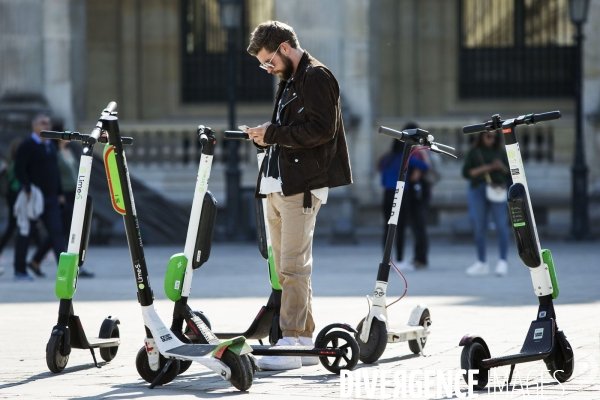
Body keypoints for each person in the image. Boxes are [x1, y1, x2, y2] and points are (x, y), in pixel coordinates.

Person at [245, 20, 352, 370]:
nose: (267, 68)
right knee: (287, 267)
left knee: (292, 266)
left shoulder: (317, 76)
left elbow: (322, 130)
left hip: (302, 186)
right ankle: (303, 340)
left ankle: (291, 342)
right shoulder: (291, 78)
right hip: (280, 183)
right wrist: (267, 134)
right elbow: (292, 129)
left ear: (285, 48)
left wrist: (272, 132)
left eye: (268, 61)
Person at [29, 139, 94, 278]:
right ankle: (70, 267)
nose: (68, 138)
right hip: (63, 195)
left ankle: (36, 260)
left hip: (75, 193)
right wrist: (59, 193)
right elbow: (55, 175)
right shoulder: (55, 153)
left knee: (61, 230)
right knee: (64, 231)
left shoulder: (69, 151)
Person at [13, 114, 66, 280]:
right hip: (33, 197)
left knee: (57, 232)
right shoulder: (27, 145)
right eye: (43, 123)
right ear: (34, 126)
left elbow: (55, 172)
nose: (47, 125)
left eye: (49, 123)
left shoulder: (50, 146)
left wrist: (59, 192)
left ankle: (64, 272)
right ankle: (19, 270)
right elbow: (19, 168)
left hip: (50, 198)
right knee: (25, 233)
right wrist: (27, 187)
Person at [378, 123, 431, 271]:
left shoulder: (387, 159)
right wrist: (424, 154)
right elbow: (425, 167)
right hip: (401, 193)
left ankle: (386, 260)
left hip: (387, 194)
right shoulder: (405, 157)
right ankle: (400, 261)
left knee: (387, 228)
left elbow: (382, 179)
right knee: (399, 228)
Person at [462, 130, 510, 277]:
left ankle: (503, 261)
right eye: (489, 136)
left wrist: (500, 166)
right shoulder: (474, 151)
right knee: (479, 225)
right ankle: (481, 262)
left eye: (494, 136)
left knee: (501, 225)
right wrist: (489, 167)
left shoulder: (500, 151)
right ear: (481, 135)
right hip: (478, 189)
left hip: (497, 190)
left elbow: (509, 171)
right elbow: (466, 173)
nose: (492, 139)